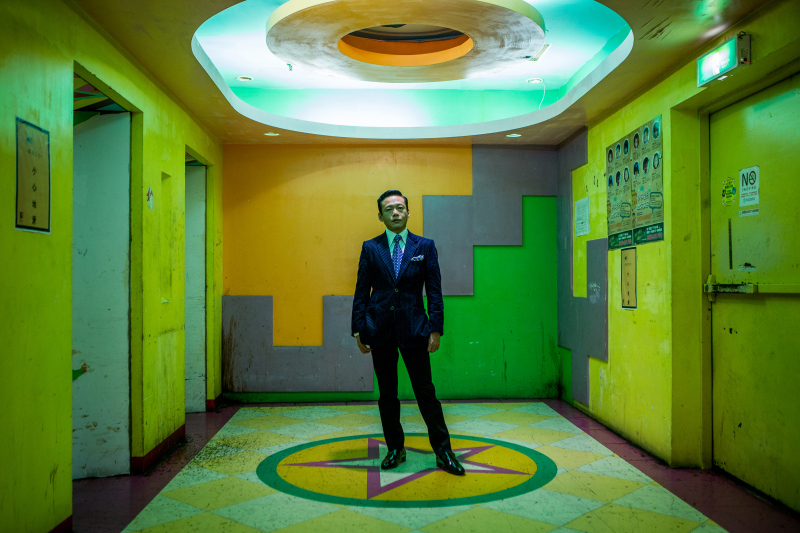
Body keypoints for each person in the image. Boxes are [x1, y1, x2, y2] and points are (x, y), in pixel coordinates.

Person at [351, 190, 465, 476]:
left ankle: (444, 452)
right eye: (389, 209)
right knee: (387, 394)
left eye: (400, 207)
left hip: (415, 330)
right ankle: (395, 448)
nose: (395, 212)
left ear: (408, 212)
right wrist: (358, 329)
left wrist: (436, 329)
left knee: (426, 393)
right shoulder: (370, 248)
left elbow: (434, 291)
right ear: (380, 216)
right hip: (379, 331)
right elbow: (361, 291)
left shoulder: (425, 246)